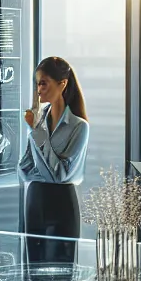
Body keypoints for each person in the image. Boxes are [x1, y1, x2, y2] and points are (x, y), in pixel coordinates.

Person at [17, 57, 89, 264]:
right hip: (35, 199)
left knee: (61, 275)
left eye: (43, 83)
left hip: (61, 204)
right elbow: (24, 169)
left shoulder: (79, 127)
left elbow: (60, 175)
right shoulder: (39, 122)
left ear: (62, 84)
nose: (38, 89)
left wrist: (37, 133)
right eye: (37, 83)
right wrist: (38, 132)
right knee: (33, 271)